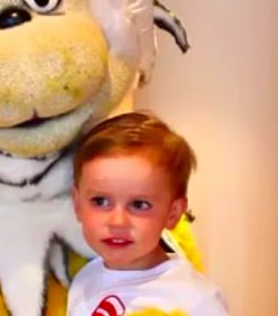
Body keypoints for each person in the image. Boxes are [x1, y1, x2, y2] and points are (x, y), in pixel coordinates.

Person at [68, 112, 229, 315]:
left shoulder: (197, 299)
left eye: (139, 204)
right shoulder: (85, 280)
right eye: (100, 201)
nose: (118, 221)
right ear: (77, 205)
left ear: (173, 213)